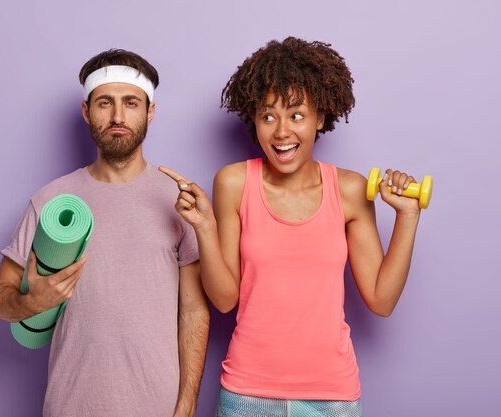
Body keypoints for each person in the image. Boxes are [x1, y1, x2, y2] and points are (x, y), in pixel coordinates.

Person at [160, 37, 423, 417]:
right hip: (247, 393)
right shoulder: (234, 183)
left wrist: (407, 217)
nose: (281, 131)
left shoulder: (349, 190)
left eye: (296, 115)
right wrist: (204, 226)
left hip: (331, 396)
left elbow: (382, 301)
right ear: (255, 120)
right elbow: (224, 299)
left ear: (320, 117)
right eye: (269, 116)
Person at [0, 49, 209, 417]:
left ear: (150, 111)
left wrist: (186, 405)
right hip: (70, 405)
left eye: (131, 103)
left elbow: (194, 310)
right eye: (105, 102)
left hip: (158, 406)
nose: (118, 116)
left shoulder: (179, 201)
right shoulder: (51, 199)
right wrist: (30, 303)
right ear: (87, 111)